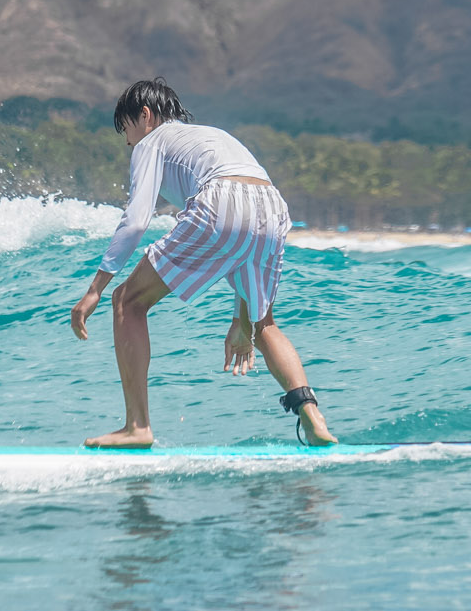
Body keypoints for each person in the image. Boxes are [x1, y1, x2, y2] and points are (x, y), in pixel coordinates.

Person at [69, 78, 336, 447]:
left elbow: (136, 220)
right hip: (272, 205)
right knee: (263, 325)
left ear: (145, 115)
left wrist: (94, 290)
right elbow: (242, 229)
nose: (128, 142)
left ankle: (137, 426)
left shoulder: (151, 142)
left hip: (222, 197)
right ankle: (311, 415)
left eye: (126, 130)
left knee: (126, 302)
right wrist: (240, 320)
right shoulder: (215, 136)